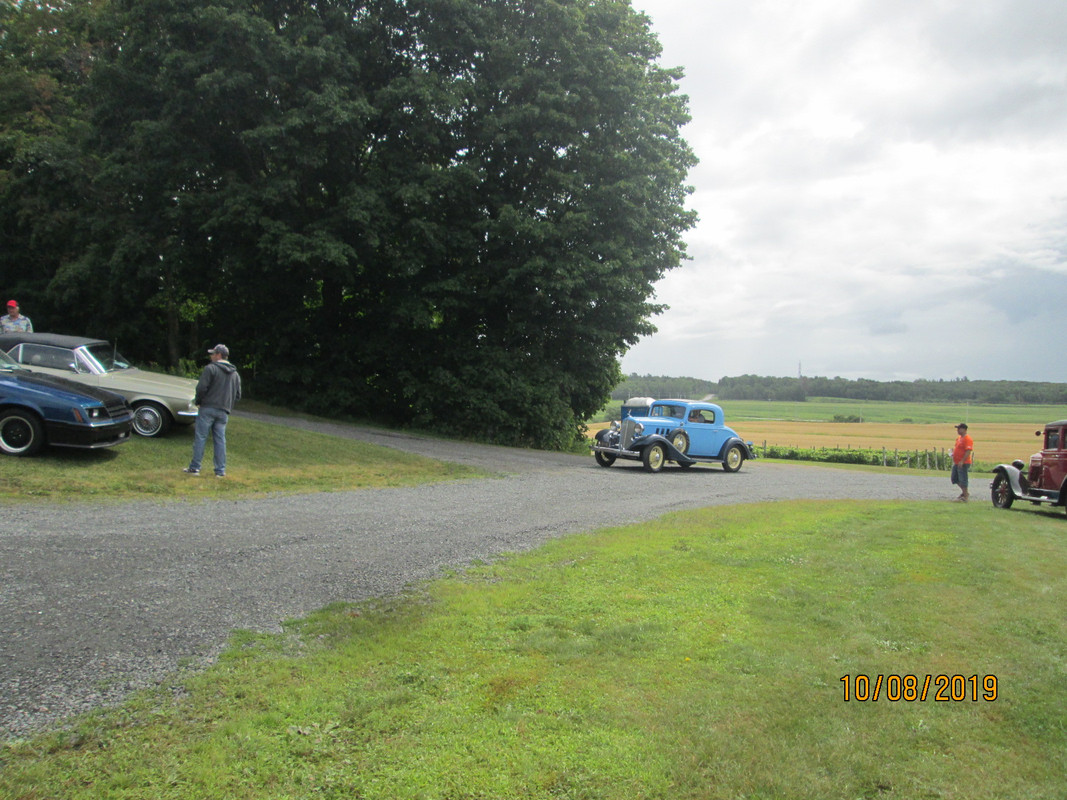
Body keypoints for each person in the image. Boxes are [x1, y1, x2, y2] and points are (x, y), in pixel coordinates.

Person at [184, 344, 241, 477]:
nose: (211, 356)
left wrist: (199, 402)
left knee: (201, 437)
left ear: (219, 355)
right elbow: (238, 395)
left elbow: (201, 388)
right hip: (224, 411)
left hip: (208, 408)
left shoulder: (211, 369)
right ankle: (220, 471)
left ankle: (195, 467)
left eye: (213, 353)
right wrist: (228, 405)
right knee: (220, 440)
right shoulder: (235, 374)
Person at [950, 422, 973, 502]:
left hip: (963, 462)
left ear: (964, 429)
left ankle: (965, 495)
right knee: (954, 478)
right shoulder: (959, 438)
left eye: (959, 428)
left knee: (963, 479)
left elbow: (968, 451)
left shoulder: (967, 439)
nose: (958, 430)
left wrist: (962, 461)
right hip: (956, 462)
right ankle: (964, 492)